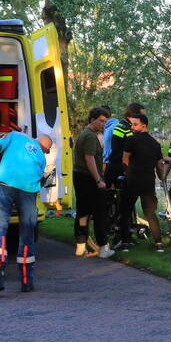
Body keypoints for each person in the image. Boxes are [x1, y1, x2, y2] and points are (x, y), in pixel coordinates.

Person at [0, 131, 52, 295]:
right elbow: (41, 180)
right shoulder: (41, 159)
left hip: (5, 184)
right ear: (45, 149)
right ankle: (27, 281)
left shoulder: (15, 136)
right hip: (28, 192)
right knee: (27, 232)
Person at [120, 113, 169, 252]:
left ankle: (125, 243)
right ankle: (158, 243)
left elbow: (125, 160)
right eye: (132, 124)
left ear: (144, 125)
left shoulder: (131, 140)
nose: (132, 127)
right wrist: (162, 178)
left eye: (135, 124)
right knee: (150, 212)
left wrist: (127, 171)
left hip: (132, 180)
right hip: (148, 181)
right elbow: (159, 165)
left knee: (125, 210)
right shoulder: (155, 144)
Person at [72, 106, 114, 259]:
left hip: (80, 175)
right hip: (88, 178)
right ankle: (103, 247)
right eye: (101, 121)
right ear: (92, 120)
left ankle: (81, 247)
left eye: (105, 122)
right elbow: (89, 159)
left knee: (83, 212)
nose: (103, 124)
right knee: (100, 212)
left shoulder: (87, 133)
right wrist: (98, 179)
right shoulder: (90, 136)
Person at [103, 103, 144, 188]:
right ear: (134, 114)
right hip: (120, 167)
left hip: (116, 165)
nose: (143, 117)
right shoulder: (126, 128)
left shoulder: (124, 125)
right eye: (141, 114)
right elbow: (133, 147)